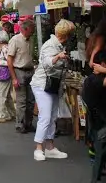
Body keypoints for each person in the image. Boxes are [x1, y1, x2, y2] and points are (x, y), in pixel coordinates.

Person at [31, 18, 74, 161]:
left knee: (53, 116)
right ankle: (38, 148)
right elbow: (47, 63)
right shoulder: (50, 45)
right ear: (65, 34)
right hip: (43, 84)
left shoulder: (59, 45)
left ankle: (49, 147)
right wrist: (58, 57)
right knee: (45, 116)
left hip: (53, 85)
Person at [7, 20, 37, 134]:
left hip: (30, 70)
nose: (33, 32)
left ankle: (28, 123)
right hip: (19, 71)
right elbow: (9, 60)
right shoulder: (15, 40)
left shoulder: (31, 39)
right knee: (21, 100)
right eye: (31, 30)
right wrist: (14, 78)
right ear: (25, 29)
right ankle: (19, 124)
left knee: (31, 100)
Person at [0, 29, 15, 123]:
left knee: (0, 94)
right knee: (7, 95)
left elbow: (10, 62)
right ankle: (11, 113)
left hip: (5, 74)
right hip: (7, 74)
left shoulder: (4, 49)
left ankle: (1, 115)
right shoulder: (6, 48)